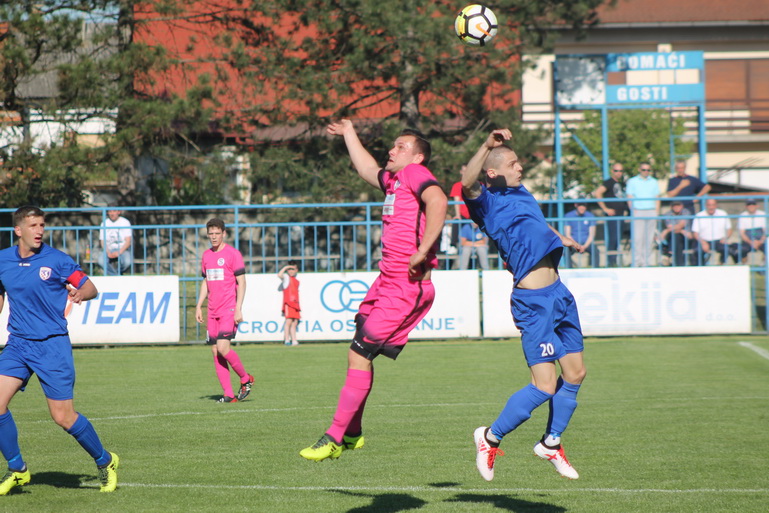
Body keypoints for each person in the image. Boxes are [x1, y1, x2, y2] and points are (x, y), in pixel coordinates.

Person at [299, 119, 447, 461]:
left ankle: (334, 437)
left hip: (405, 286)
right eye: (393, 145)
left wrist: (423, 250)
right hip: (386, 283)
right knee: (361, 354)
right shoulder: (395, 181)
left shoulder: (414, 173)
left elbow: (439, 200)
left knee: (358, 354)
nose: (391, 150)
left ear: (417, 157)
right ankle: (352, 433)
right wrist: (349, 132)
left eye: (400, 147)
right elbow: (367, 168)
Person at [464, 129, 586, 482]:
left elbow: (534, 224)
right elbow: (466, 182)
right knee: (544, 386)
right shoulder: (485, 202)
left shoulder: (520, 191)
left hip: (559, 294)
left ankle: (551, 443)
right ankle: (489, 437)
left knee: (576, 373)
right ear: (493, 172)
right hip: (533, 303)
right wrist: (486, 145)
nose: (520, 167)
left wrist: (559, 237)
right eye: (514, 163)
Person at [0, 206, 119, 495]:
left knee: (63, 417)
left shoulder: (57, 260)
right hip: (18, 344)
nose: (39, 230)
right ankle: (17, 469)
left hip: (51, 345)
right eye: (33, 225)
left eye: (42, 225)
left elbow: (91, 288)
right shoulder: (3, 260)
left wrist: (80, 293)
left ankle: (105, 461)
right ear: (18, 230)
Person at [195, 218, 254, 403]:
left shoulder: (233, 254)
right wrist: (199, 305)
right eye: (210, 234)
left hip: (228, 308)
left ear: (224, 234)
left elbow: (242, 282)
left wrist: (238, 308)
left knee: (223, 347)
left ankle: (245, 378)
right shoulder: (206, 255)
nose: (213, 237)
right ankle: (228, 394)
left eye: (217, 234)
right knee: (215, 351)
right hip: (212, 310)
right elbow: (206, 281)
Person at [593, 163, 629, 267]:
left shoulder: (621, 183)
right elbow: (597, 193)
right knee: (613, 239)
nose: (619, 173)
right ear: (612, 171)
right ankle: (611, 262)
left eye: (621, 171)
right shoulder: (609, 182)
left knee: (618, 239)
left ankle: (614, 261)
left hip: (620, 215)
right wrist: (605, 209)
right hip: (613, 216)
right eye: (616, 170)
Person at [625, 163, 660, 267]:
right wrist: (633, 210)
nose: (646, 172)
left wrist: (656, 212)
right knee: (637, 238)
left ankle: (646, 263)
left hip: (651, 210)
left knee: (649, 239)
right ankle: (637, 262)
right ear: (639, 170)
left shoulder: (654, 181)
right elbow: (629, 196)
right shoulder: (632, 181)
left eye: (648, 170)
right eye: (644, 170)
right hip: (638, 211)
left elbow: (657, 197)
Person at [691, 198, 737, 265]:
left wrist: (725, 238)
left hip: (719, 241)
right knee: (697, 251)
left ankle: (720, 265)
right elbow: (695, 232)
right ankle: (701, 267)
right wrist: (703, 243)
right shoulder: (699, 215)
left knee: (727, 249)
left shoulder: (723, 214)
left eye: (713, 205)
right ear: (706, 205)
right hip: (703, 240)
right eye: (709, 205)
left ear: (716, 205)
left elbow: (729, 229)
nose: (711, 207)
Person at [95, 208, 133, 275]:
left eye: (114, 211)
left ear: (119, 212)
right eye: (110, 211)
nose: (112, 214)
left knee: (127, 262)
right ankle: (116, 275)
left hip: (122, 249)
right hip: (109, 249)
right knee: (101, 261)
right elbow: (102, 241)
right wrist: (108, 252)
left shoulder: (125, 222)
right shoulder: (104, 223)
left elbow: (128, 241)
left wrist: (119, 252)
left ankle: (117, 274)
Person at [656, 201, 694, 267]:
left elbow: (681, 225)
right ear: (671, 207)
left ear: (682, 206)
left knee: (676, 237)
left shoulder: (686, 212)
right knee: (676, 237)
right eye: (674, 206)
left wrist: (666, 231)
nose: (676, 207)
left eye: (678, 205)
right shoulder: (668, 214)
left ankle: (670, 253)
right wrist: (681, 230)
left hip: (686, 238)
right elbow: (670, 227)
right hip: (674, 236)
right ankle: (679, 263)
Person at [563, 201, 597, 267]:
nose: (582, 208)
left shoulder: (590, 216)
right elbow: (568, 234)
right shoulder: (568, 216)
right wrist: (576, 245)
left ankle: (595, 269)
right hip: (573, 243)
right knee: (566, 251)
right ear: (576, 205)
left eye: (584, 205)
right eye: (580, 205)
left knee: (595, 251)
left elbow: (592, 235)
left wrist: (584, 246)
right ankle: (569, 269)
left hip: (586, 243)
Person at [278, 260, 301, 346]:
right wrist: (286, 267)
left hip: (295, 304)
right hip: (289, 303)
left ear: (296, 270)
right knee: (288, 322)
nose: (291, 271)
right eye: (289, 269)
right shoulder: (286, 278)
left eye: (293, 269)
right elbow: (279, 275)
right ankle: (287, 340)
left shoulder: (296, 281)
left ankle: (294, 340)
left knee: (294, 323)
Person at [736, 199, 766, 264]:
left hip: (761, 239)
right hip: (748, 240)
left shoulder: (763, 214)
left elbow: (766, 231)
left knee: (767, 248)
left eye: (753, 204)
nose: (751, 206)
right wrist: (751, 242)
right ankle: (744, 265)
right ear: (746, 206)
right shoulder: (742, 215)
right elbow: (742, 233)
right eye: (749, 205)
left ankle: (764, 266)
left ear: (757, 206)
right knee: (741, 251)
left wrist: (760, 241)